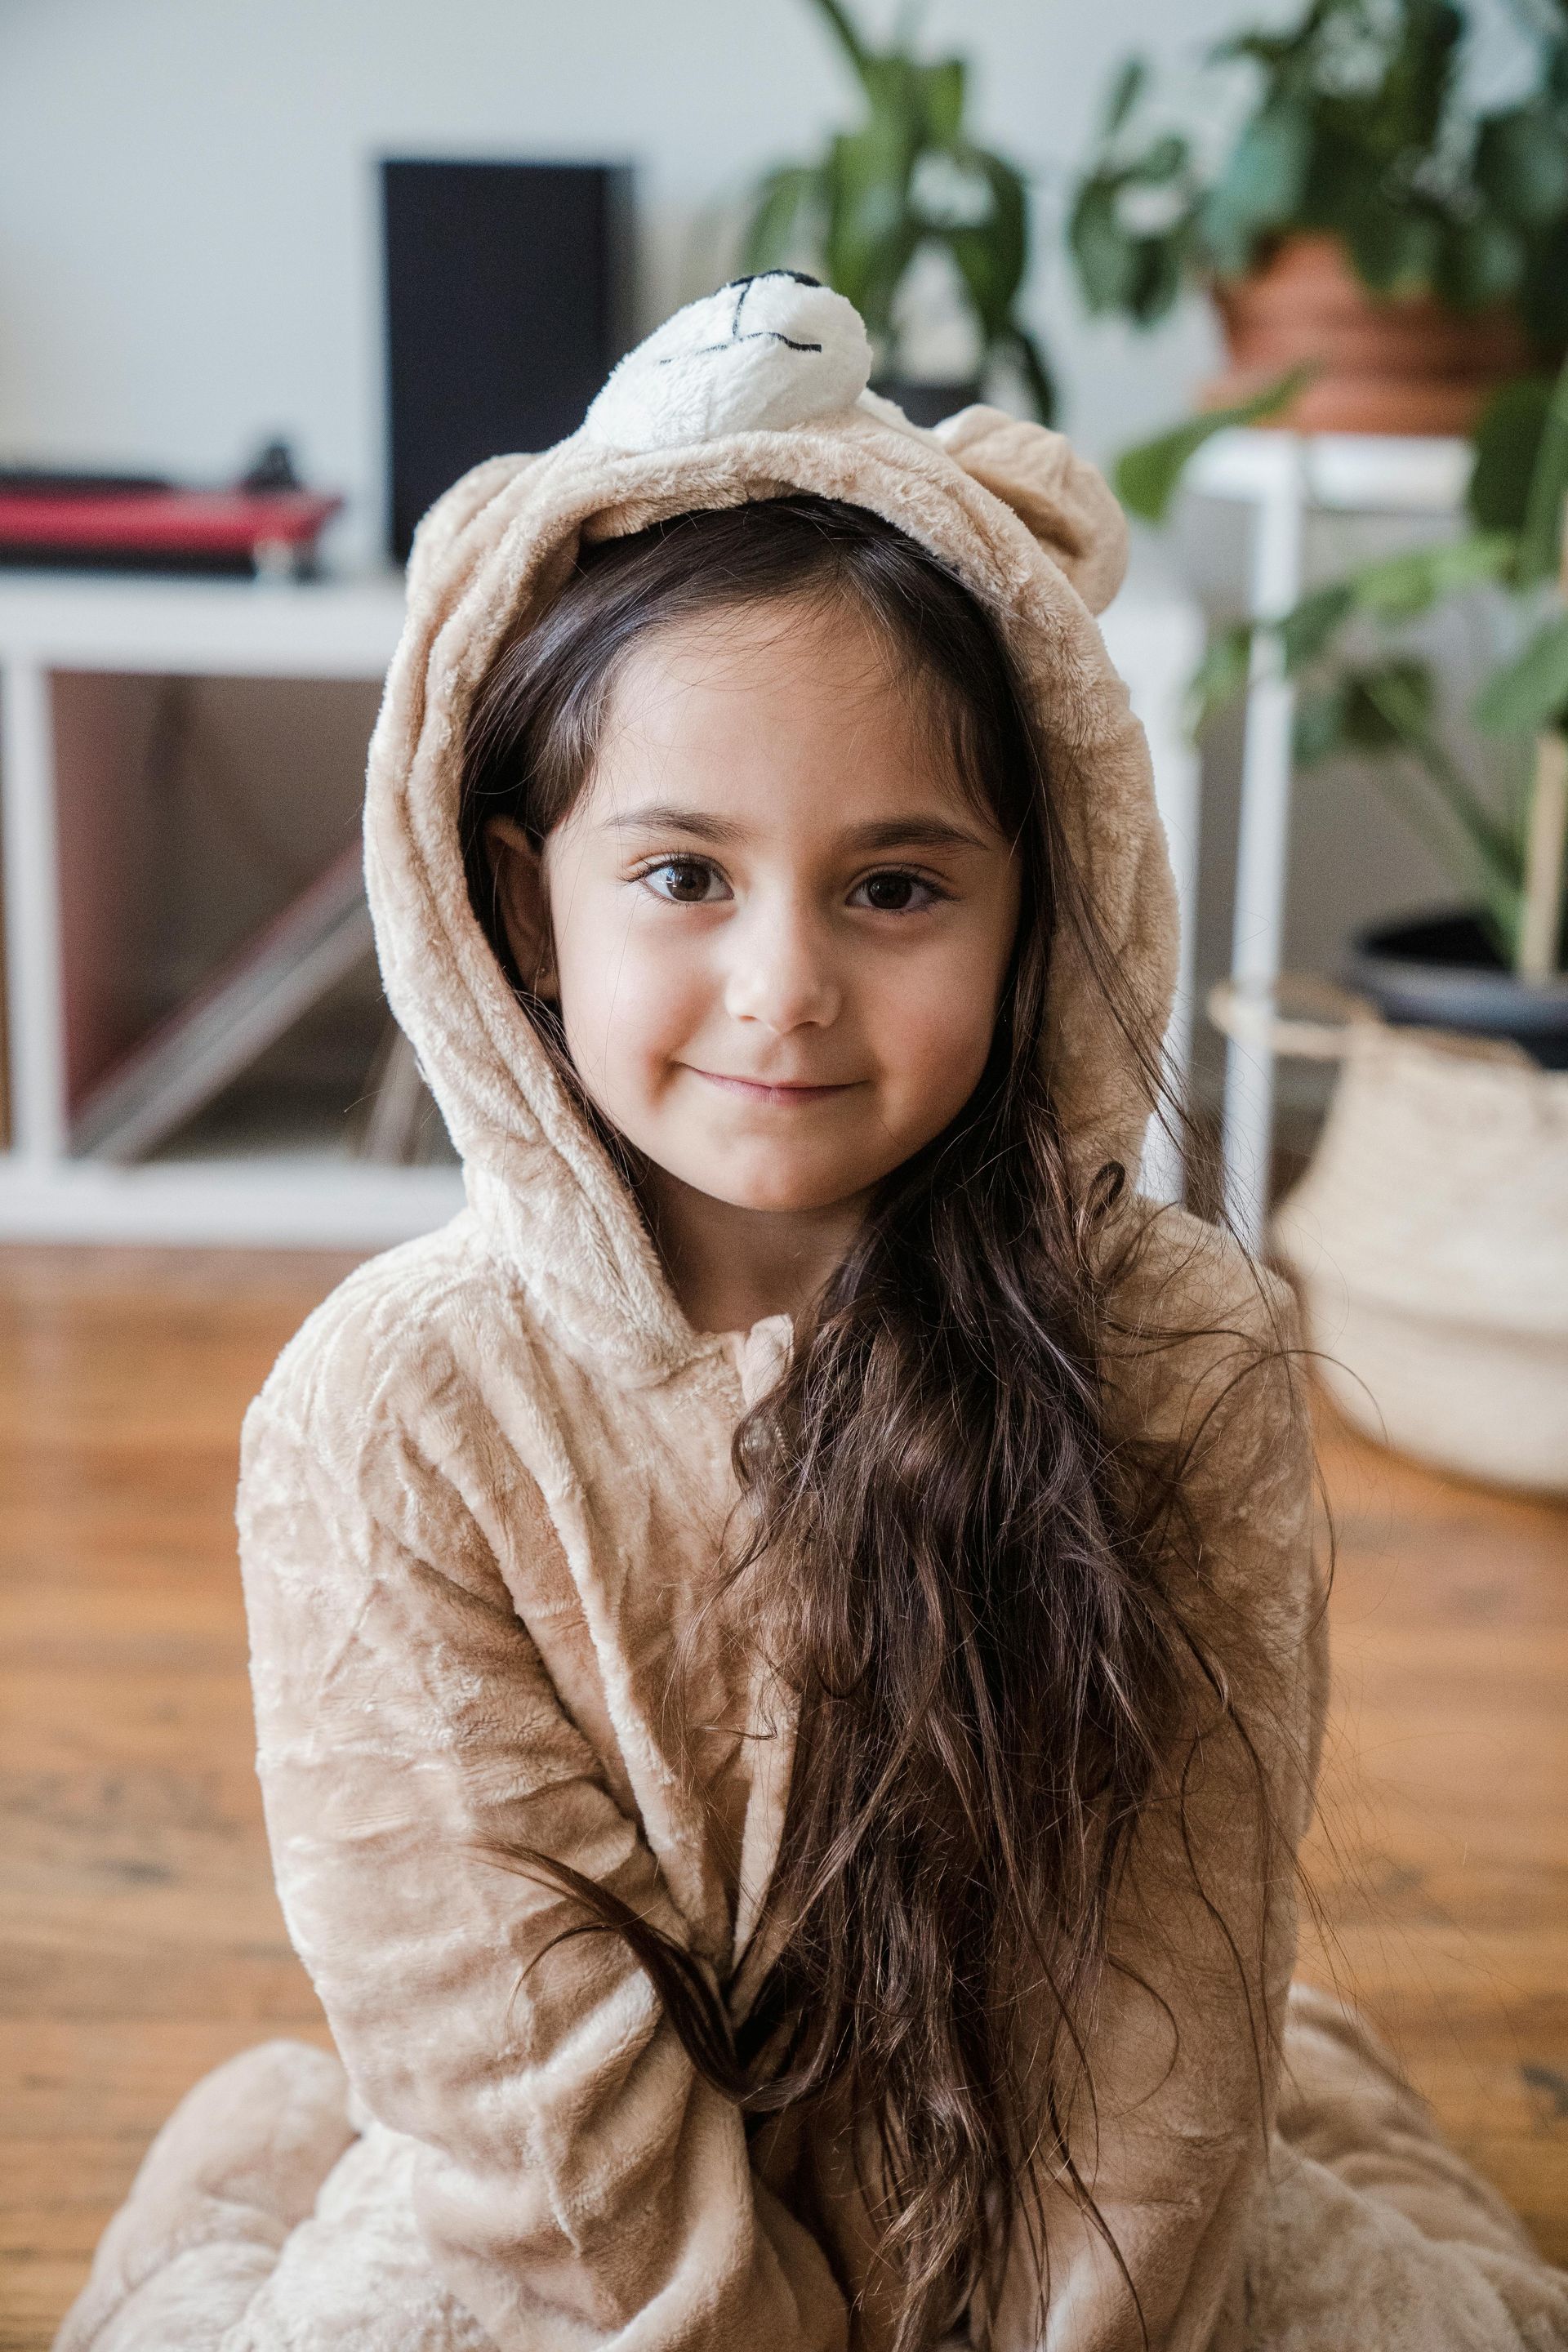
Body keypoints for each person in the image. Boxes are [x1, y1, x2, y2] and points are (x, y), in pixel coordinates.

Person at [55, 276, 1566, 2352]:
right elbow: (514, 2061)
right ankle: (275, 2159)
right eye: (683, 876)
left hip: (1040, 2189)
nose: (785, 985)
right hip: (587, 2240)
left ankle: (1349, 2108)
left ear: (1039, 905)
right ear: (521, 904)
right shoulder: (391, 1411)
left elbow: (1157, 1998)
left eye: (897, 886)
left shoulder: (1180, 1350)